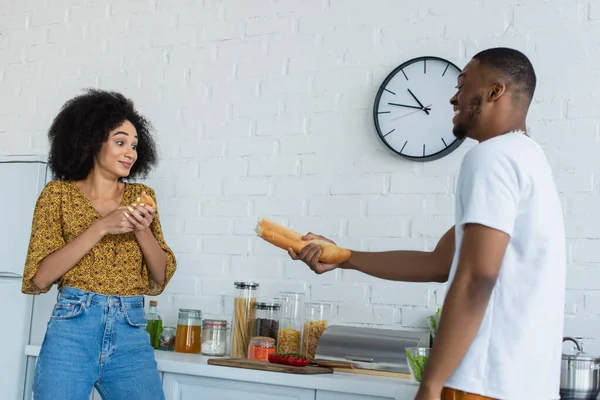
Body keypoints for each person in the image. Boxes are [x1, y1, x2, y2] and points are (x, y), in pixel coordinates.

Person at [289, 47, 566, 400]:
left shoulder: (490, 158)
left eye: (463, 84)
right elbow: (440, 262)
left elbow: (478, 276)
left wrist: (432, 383)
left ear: (495, 91)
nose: (454, 97)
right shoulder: (529, 159)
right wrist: (344, 256)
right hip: (524, 388)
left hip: (480, 384)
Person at [21, 89, 177, 400]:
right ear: (91, 142)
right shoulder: (58, 196)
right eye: (120, 142)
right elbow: (39, 277)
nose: (130, 152)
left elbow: (160, 277)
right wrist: (102, 227)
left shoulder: (141, 197)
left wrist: (142, 230)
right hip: (72, 330)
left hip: (131, 329)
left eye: (134, 145)